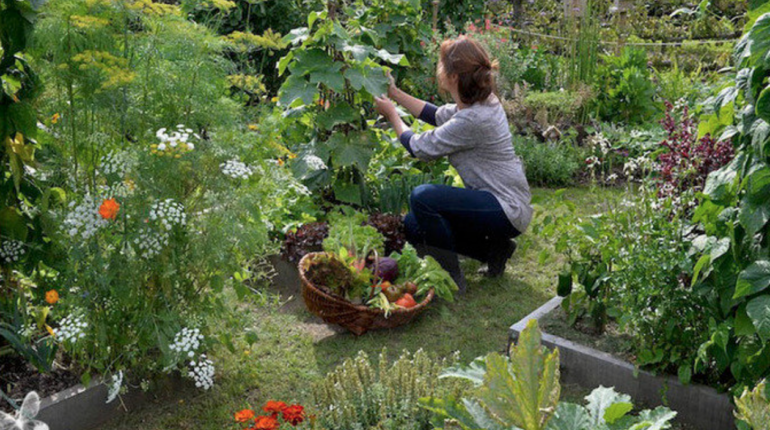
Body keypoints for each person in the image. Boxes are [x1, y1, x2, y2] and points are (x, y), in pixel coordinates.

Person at [373, 35, 532, 293]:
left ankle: (452, 276)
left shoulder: (475, 118)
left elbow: (418, 147)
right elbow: (434, 114)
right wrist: (394, 93)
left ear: (454, 77)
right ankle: (494, 250)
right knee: (414, 225)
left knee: (422, 197)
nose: (439, 69)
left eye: (442, 64)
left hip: (506, 207)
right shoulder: (478, 104)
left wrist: (391, 114)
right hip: (495, 203)